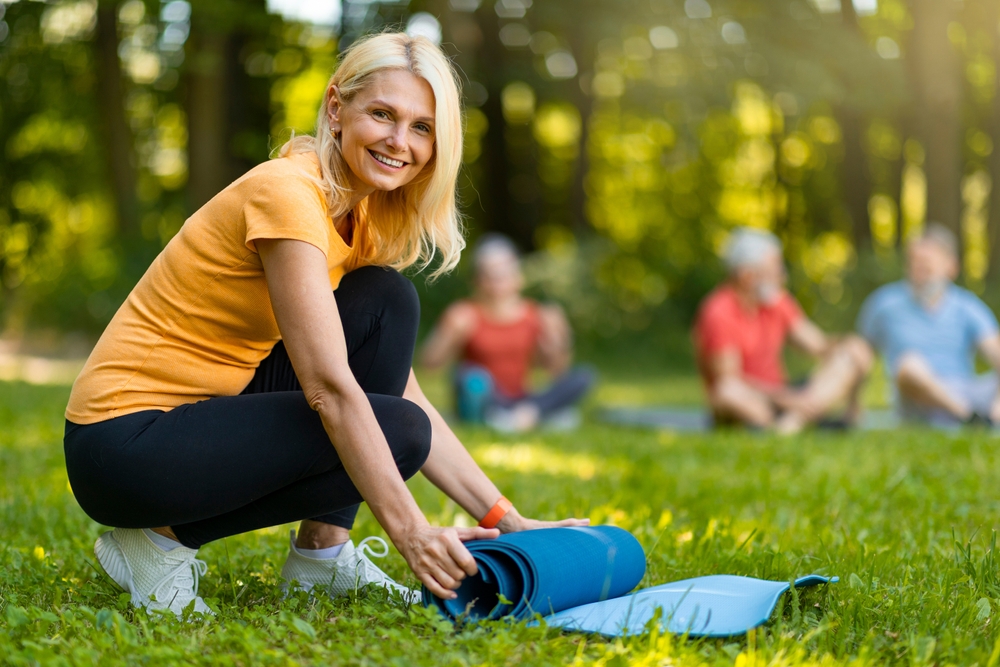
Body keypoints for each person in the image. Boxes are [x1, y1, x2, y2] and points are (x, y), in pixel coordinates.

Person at [63, 33, 586, 618]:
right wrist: (410, 532)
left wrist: (505, 519)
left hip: (206, 412)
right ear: (337, 109)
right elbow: (330, 388)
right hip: (123, 445)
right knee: (399, 431)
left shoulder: (362, 213)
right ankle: (156, 541)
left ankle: (322, 556)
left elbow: (395, 385)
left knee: (387, 303)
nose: (399, 141)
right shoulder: (288, 193)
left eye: (421, 127)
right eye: (383, 114)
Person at [693, 227, 872, 434]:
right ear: (747, 276)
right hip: (753, 400)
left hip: (785, 396)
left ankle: (789, 425)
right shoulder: (719, 312)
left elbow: (818, 345)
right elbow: (730, 379)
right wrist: (787, 400)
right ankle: (787, 423)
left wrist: (849, 346)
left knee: (850, 353)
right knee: (727, 392)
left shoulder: (776, 301)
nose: (782, 276)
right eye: (775, 269)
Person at [420, 234, 594, 432]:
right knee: (469, 377)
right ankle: (528, 417)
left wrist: (559, 342)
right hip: (483, 397)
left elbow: (556, 371)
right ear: (478, 280)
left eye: (504, 272)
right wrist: (448, 334)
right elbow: (428, 364)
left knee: (583, 376)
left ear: (518, 276)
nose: (498, 281)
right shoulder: (464, 314)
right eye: (491, 274)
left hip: (520, 399)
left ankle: (528, 415)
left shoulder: (537, 315)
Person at [857, 223, 1000, 427]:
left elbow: (995, 352)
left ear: (951, 267)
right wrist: (854, 406)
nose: (918, 269)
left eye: (926, 263)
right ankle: (968, 417)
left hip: (964, 389)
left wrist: (996, 406)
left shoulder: (967, 306)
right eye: (913, 262)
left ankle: (991, 419)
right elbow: (860, 356)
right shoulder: (884, 303)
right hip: (915, 398)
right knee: (908, 363)